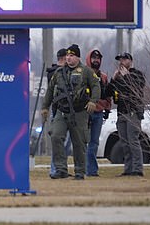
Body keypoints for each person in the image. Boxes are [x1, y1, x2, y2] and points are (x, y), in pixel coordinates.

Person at [42, 44, 101, 180]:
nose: (68, 58)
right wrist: (45, 107)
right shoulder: (59, 73)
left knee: (79, 143)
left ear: (78, 57)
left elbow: (96, 86)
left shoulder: (86, 71)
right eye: (67, 55)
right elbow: (50, 90)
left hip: (79, 112)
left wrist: (93, 101)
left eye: (72, 55)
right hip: (62, 111)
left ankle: (80, 171)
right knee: (56, 136)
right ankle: (60, 169)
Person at [105, 52, 146, 177]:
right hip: (121, 112)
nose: (122, 62)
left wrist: (127, 76)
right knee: (124, 142)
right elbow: (107, 93)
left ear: (130, 61)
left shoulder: (137, 74)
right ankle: (128, 169)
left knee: (133, 140)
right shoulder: (119, 78)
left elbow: (137, 88)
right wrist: (113, 79)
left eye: (124, 59)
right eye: (120, 60)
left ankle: (138, 169)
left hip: (133, 111)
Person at [44, 48, 72, 178]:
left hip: (67, 111)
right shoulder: (55, 72)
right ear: (63, 58)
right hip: (57, 112)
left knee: (65, 144)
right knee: (58, 142)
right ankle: (55, 169)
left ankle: (61, 168)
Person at [85, 49, 111, 177]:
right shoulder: (83, 74)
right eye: (94, 58)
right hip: (86, 112)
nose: (96, 60)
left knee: (94, 142)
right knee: (84, 141)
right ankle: (84, 168)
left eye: (98, 58)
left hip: (99, 112)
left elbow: (107, 95)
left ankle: (92, 170)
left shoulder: (104, 77)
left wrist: (107, 108)